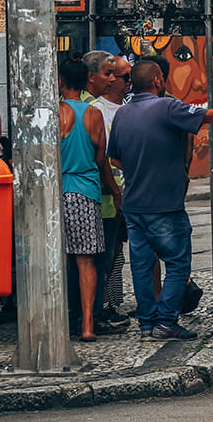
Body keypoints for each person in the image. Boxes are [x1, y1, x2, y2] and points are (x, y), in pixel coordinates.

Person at [108, 60, 213, 341]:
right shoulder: (167, 107)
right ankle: (166, 321)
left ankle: (147, 324)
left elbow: (116, 158)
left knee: (142, 266)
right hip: (164, 204)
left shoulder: (122, 114)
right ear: (157, 80)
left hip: (133, 204)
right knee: (178, 263)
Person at [58, 57, 121, 342]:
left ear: (60, 82)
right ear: (85, 81)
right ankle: (87, 326)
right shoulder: (93, 114)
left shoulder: (53, 112)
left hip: (58, 191)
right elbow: (100, 158)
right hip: (86, 192)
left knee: (59, 262)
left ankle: (59, 323)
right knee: (87, 262)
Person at [91, 55, 131, 326]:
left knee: (118, 251)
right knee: (105, 252)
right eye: (123, 76)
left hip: (130, 191)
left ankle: (113, 302)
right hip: (107, 194)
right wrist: (115, 191)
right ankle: (103, 306)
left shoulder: (129, 107)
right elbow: (101, 156)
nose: (127, 82)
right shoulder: (96, 109)